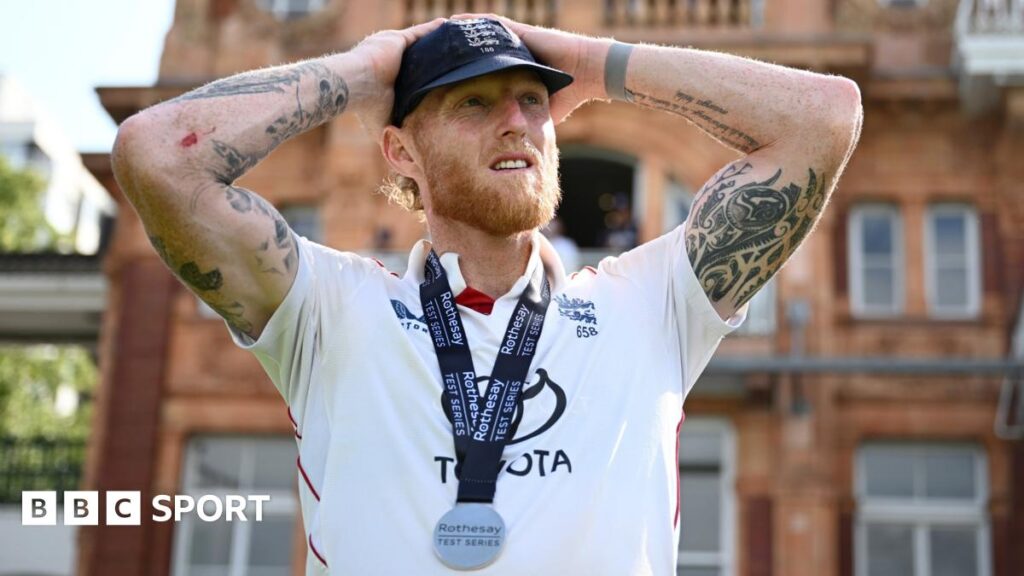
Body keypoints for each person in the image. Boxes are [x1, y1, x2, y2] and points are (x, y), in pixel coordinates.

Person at [111, 13, 862, 575]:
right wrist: (362, 72)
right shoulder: (332, 312)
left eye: (533, 100)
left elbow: (826, 117)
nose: (516, 124)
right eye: (472, 103)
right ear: (401, 149)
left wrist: (595, 64)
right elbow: (154, 155)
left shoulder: (645, 306)